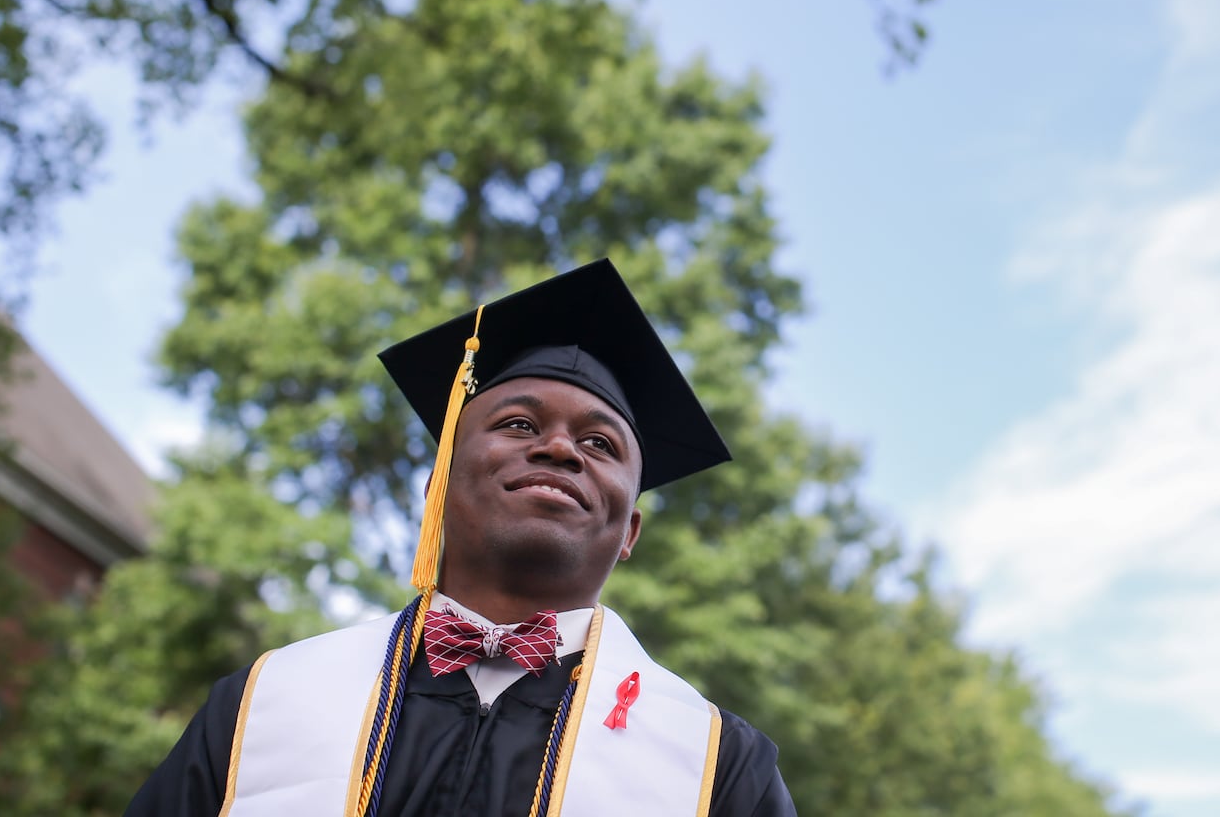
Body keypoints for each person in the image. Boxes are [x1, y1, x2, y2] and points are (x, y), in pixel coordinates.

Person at [125, 259, 796, 817]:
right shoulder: (265, 704)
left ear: (630, 532)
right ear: (437, 486)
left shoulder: (717, 768)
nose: (561, 448)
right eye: (518, 425)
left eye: (599, 442)